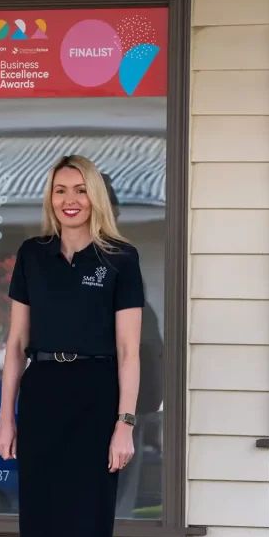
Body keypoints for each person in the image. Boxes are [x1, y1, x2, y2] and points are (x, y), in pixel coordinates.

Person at [0, 154, 144, 537]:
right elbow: (16, 344)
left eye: (79, 189)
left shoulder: (121, 257)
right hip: (43, 399)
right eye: (61, 190)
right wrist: (6, 418)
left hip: (96, 401)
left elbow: (128, 350)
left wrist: (125, 423)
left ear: (94, 195)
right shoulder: (32, 255)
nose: (70, 200)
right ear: (50, 198)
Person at [100, 173, 165, 519]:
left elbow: (140, 346)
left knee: (119, 500)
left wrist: (135, 414)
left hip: (127, 402)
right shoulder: (51, 261)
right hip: (85, 399)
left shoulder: (123, 263)